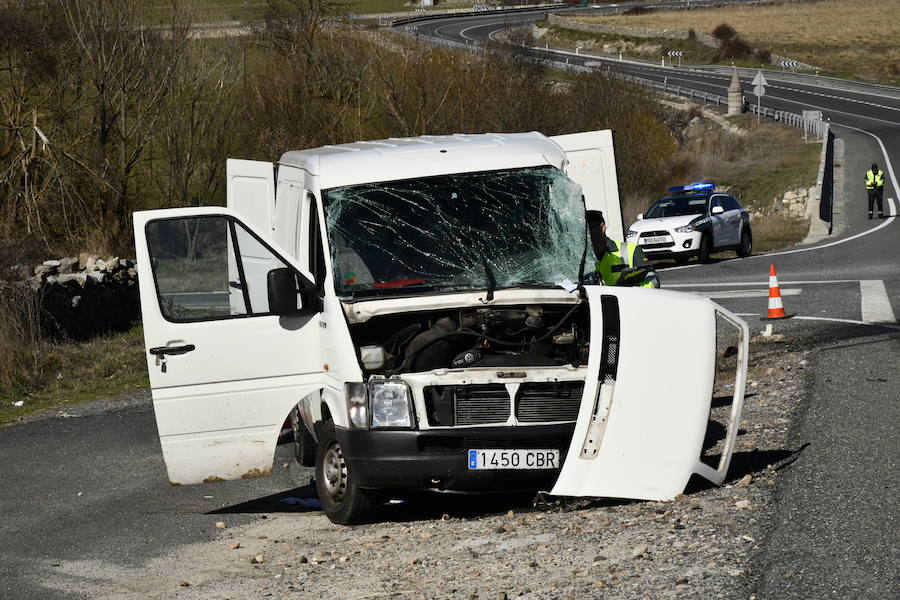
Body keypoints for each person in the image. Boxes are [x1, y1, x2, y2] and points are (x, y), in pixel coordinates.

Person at [586, 210, 659, 288]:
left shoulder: (630, 250)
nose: (588, 234)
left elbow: (653, 279)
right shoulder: (581, 260)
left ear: (603, 227)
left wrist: (633, 291)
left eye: (591, 229)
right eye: (585, 231)